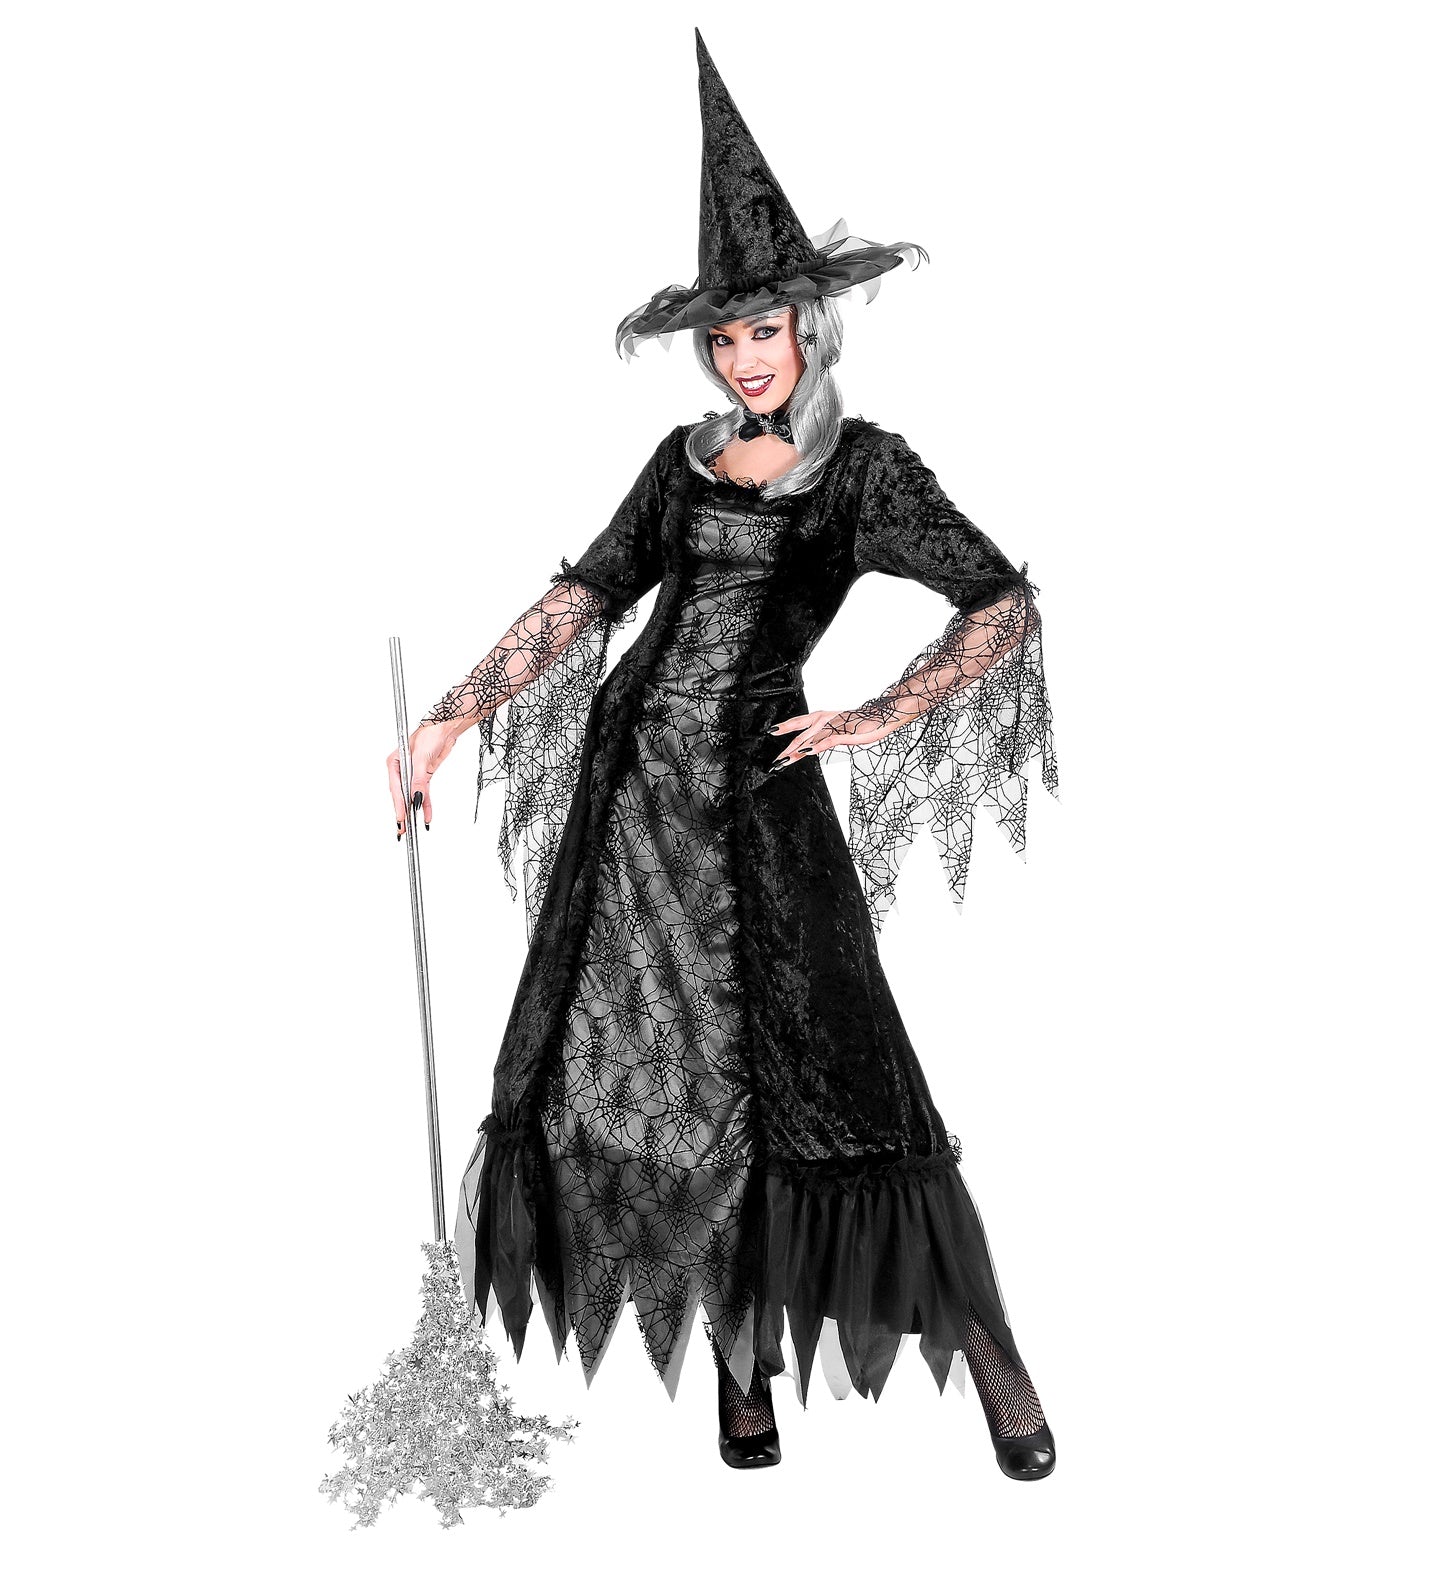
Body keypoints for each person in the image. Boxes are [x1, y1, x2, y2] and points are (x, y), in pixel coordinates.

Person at [386, 31, 1060, 1480]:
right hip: (634, 812)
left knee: (842, 1074)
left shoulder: (865, 469)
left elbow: (997, 602)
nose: (745, 360)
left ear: (810, 332)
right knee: (674, 1081)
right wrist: (449, 714)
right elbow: (586, 598)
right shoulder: (680, 460)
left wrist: (876, 712)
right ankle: (742, 1367)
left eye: (765, 334)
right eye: (724, 341)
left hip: (760, 810)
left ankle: (992, 1360)